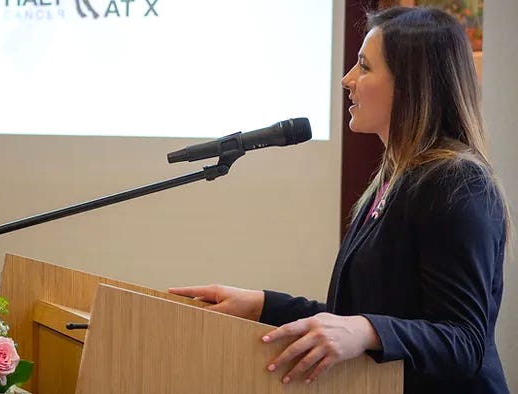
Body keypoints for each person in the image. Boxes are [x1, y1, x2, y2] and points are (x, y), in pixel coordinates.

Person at [169, 6, 511, 393]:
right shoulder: (393, 179)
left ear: (413, 83)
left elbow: (464, 342)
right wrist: (262, 305)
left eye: (364, 67)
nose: (347, 79)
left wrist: (367, 330)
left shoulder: (456, 182)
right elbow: (351, 320)